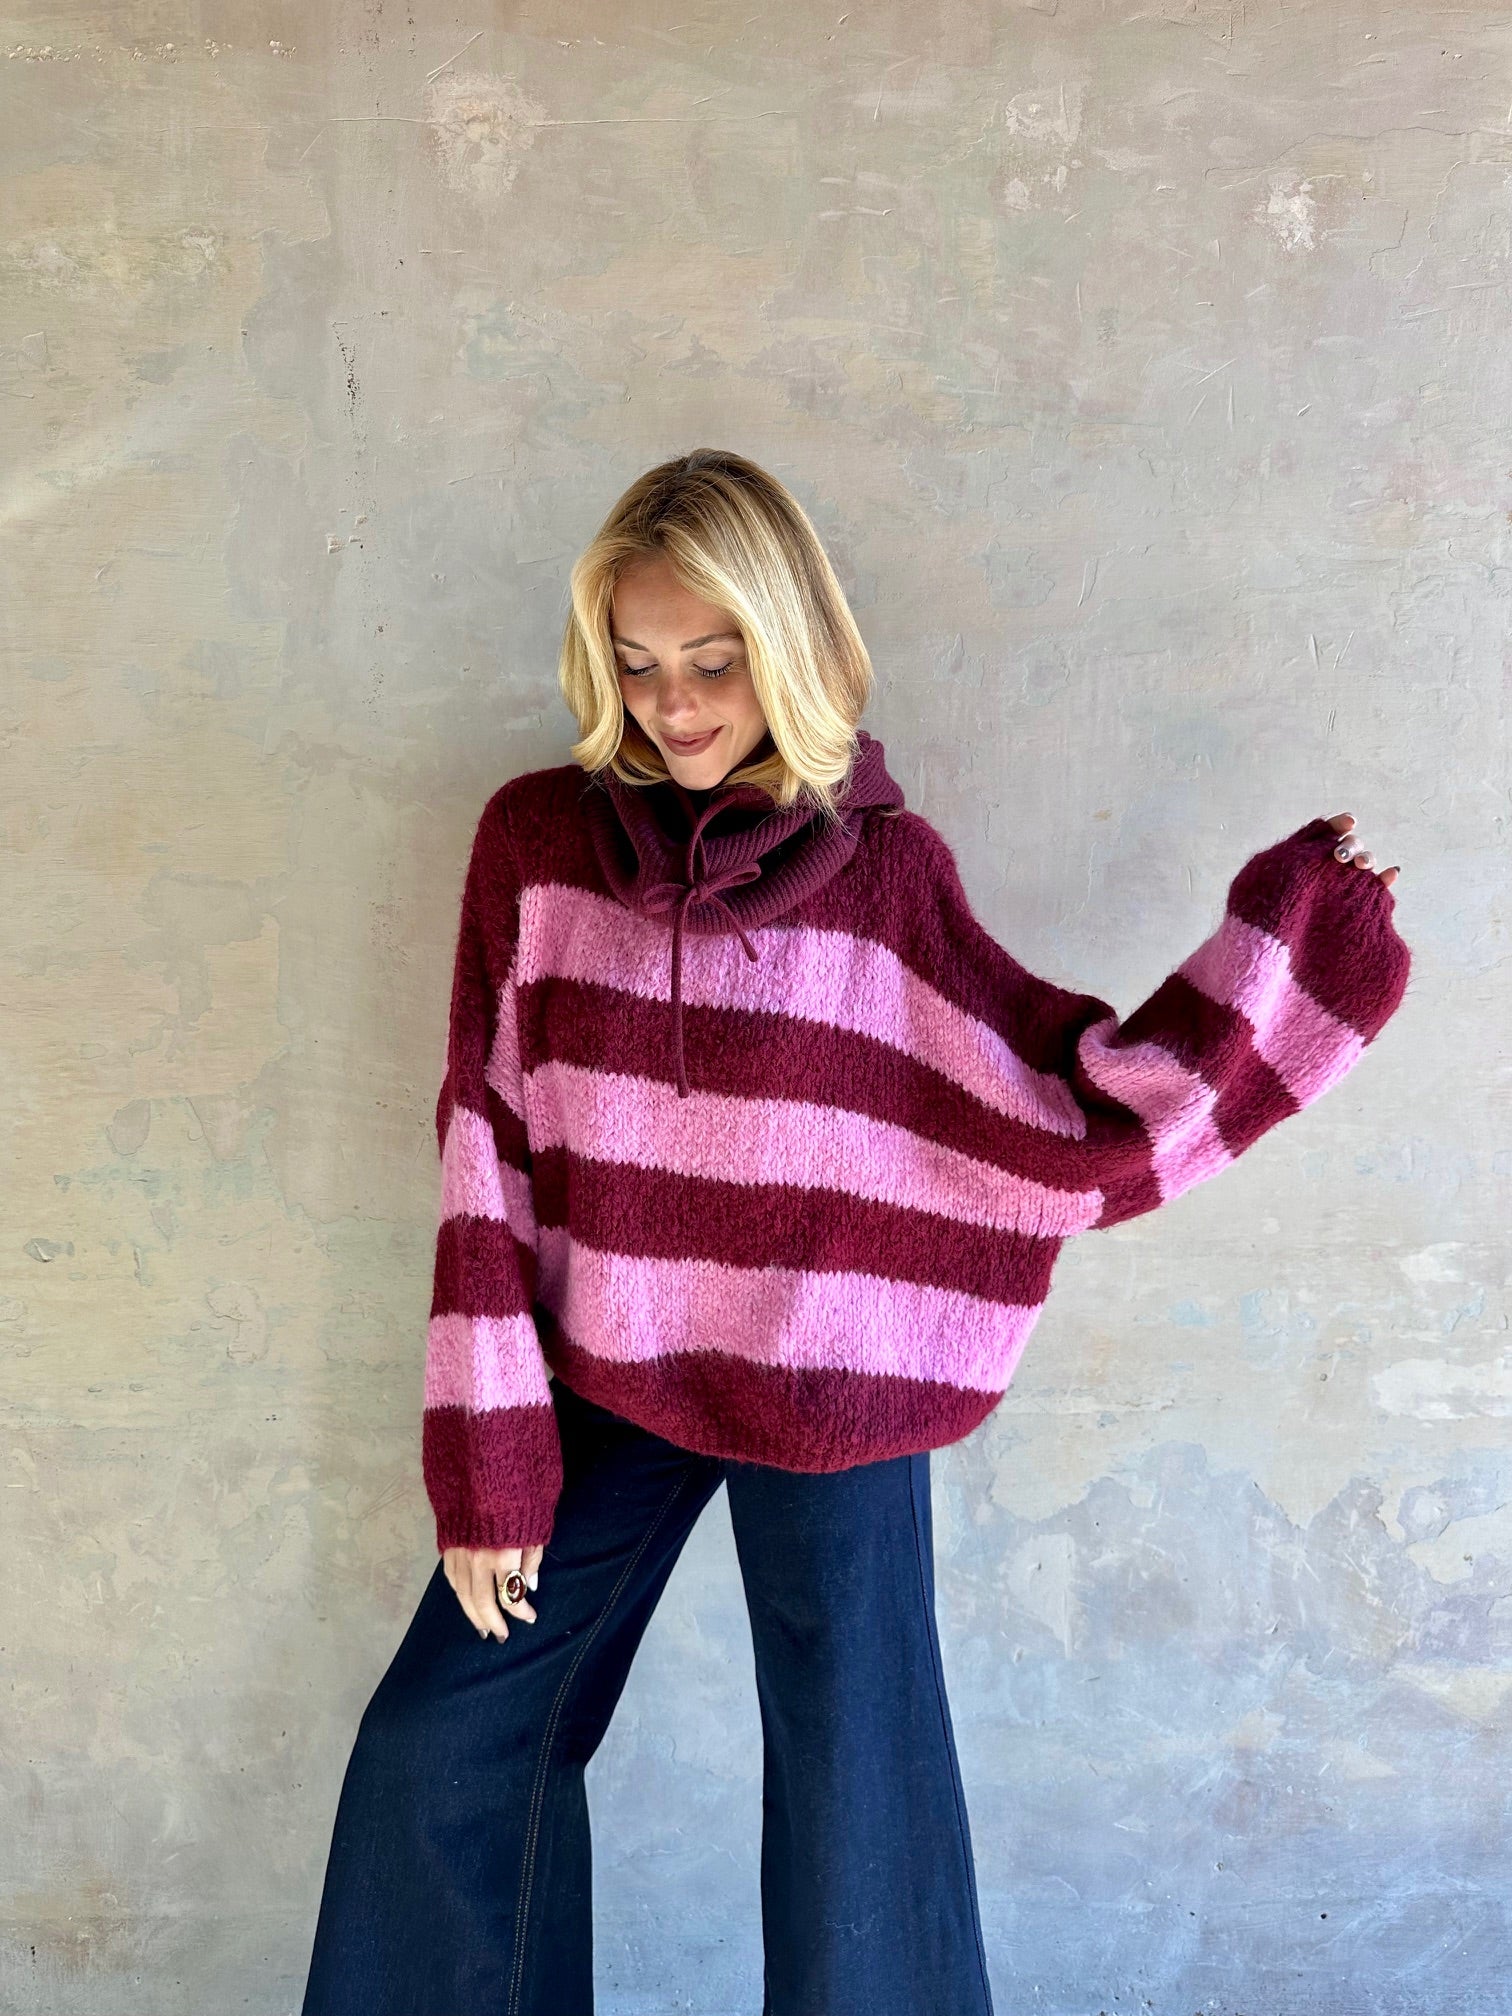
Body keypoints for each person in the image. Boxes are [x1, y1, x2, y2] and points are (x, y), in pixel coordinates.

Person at [300, 449, 1409, 2016]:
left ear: (789, 644)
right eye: (636, 662)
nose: (673, 705)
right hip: (604, 1376)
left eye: (713, 660)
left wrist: (1302, 928)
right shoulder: (536, 848)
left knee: (855, 1809)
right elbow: (482, 1143)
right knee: (443, 1741)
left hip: (832, 1382)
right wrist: (488, 1458)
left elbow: (1055, 1108)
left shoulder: (884, 875)